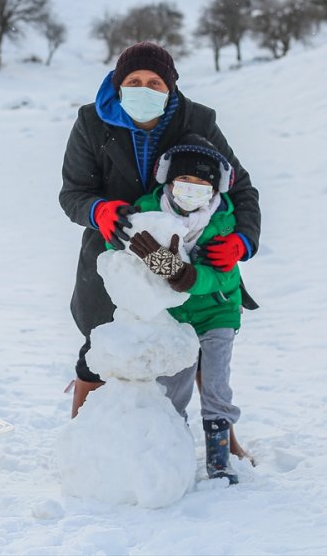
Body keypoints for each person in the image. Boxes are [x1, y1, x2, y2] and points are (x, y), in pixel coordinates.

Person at [59, 41, 261, 426]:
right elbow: (73, 193)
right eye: (134, 81)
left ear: (171, 87)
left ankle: (222, 435)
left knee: (194, 343)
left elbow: (241, 189)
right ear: (118, 85)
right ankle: (83, 435)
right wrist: (98, 210)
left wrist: (242, 241)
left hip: (190, 253)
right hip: (114, 251)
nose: (144, 89)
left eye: (155, 82)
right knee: (101, 343)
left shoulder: (196, 121)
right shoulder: (92, 122)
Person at [121, 134, 244, 483]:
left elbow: (223, 277)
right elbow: (121, 252)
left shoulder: (222, 222)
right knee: (173, 388)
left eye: (202, 184)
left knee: (216, 386)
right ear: (168, 179)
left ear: (215, 188)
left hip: (217, 311)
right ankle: (175, 452)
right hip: (173, 318)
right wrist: (142, 255)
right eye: (184, 180)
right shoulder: (146, 213)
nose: (192, 189)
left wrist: (186, 276)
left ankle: (219, 456)